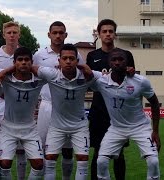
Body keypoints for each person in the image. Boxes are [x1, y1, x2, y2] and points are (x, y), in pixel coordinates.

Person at [32, 44, 101, 180]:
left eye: (71, 58)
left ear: (77, 61)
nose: (68, 61)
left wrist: (128, 72)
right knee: (50, 159)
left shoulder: (86, 76)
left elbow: (108, 77)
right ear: (59, 61)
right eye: (65, 58)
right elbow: (28, 67)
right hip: (56, 126)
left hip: (79, 127)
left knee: (82, 161)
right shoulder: (52, 74)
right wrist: (5, 72)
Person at [93, 49, 161, 179]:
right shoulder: (101, 82)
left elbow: (155, 103)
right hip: (116, 128)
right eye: (114, 59)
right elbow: (85, 75)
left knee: (153, 162)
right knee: (101, 161)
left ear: (127, 62)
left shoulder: (140, 81)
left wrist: (156, 131)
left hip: (141, 127)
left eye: (121, 59)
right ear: (109, 62)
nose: (117, 62)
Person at [33, 21, 84, 179]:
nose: (58, 36)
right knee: (43, 148)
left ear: (66, 35)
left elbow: (82, 76)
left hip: (68, 108)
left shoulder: (76, 55)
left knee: (67, 150)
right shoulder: (39, 55)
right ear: (49, 35)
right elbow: (32, 78)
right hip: (47, 106)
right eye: (54, 33)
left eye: (61, 33)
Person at [86, 19, 135, 180]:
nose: (108, 34)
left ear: (115, 34)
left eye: (111, 31)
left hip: (119, 112)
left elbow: (132, 81)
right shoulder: (92, 56)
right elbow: (89, 82)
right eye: (104, 31)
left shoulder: (126, 55)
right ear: (99, 34)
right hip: (99, 110)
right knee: (98, 152)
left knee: (118, 154)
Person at [0, 47, 45, 179]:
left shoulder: (39, 79)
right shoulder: (7, 78)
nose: (24, 62)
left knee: (38, 164)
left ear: (32, 62)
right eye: (20, 60)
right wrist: (8, 70)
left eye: (27, 60)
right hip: (8, 128)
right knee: (4, 163)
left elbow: (56, 73)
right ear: (14, 62)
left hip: (30, 128)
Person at [0, 21, 27, 179]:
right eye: (9, 32)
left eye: (15, 32)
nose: (12, 35)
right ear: (4, 35)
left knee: (21, 150)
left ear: (19, 34)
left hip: (20, 108)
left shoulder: (24, 54)